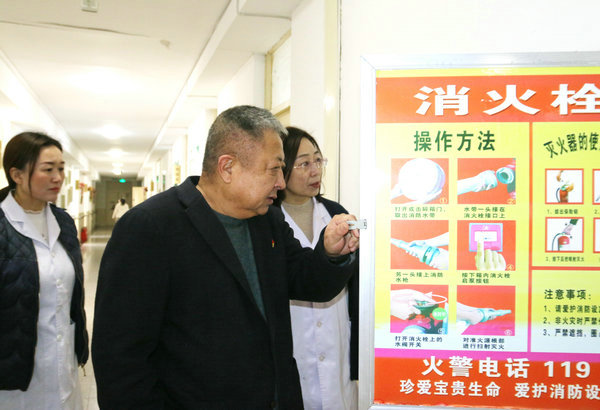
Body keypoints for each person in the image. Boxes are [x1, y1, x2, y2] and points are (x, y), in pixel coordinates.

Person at [92, 105, 359, 409]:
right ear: (227, 167)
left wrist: (331, 254)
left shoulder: (268, 221)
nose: (281, 183)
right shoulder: (152, 227)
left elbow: (305, 279)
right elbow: (120, 359)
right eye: (273, 169)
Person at [0, 132, 89, 409]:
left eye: (61, 169)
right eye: (48, 169)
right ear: (16, 174)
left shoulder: (63, 222)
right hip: (13, 378)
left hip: (63, 365)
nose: (58, 178)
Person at [274, 126, 358, 410]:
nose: (315, 171)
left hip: (337, 343)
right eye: (304, 163)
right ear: (282, 167)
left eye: (318, 160)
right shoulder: (267, 219)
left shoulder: (336, 213)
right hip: (291, 345)